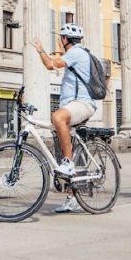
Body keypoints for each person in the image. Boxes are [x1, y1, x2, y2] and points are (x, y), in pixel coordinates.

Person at [32, 23, 99, 213]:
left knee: (57, 117)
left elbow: (50, 64)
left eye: (61, 38)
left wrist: (40, 50)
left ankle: (69, 163)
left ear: (64, 39)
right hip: (73, 105)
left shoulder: (77, 53)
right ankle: (72, 198)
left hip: (83, 103)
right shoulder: (74, 54)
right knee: (62, 147)